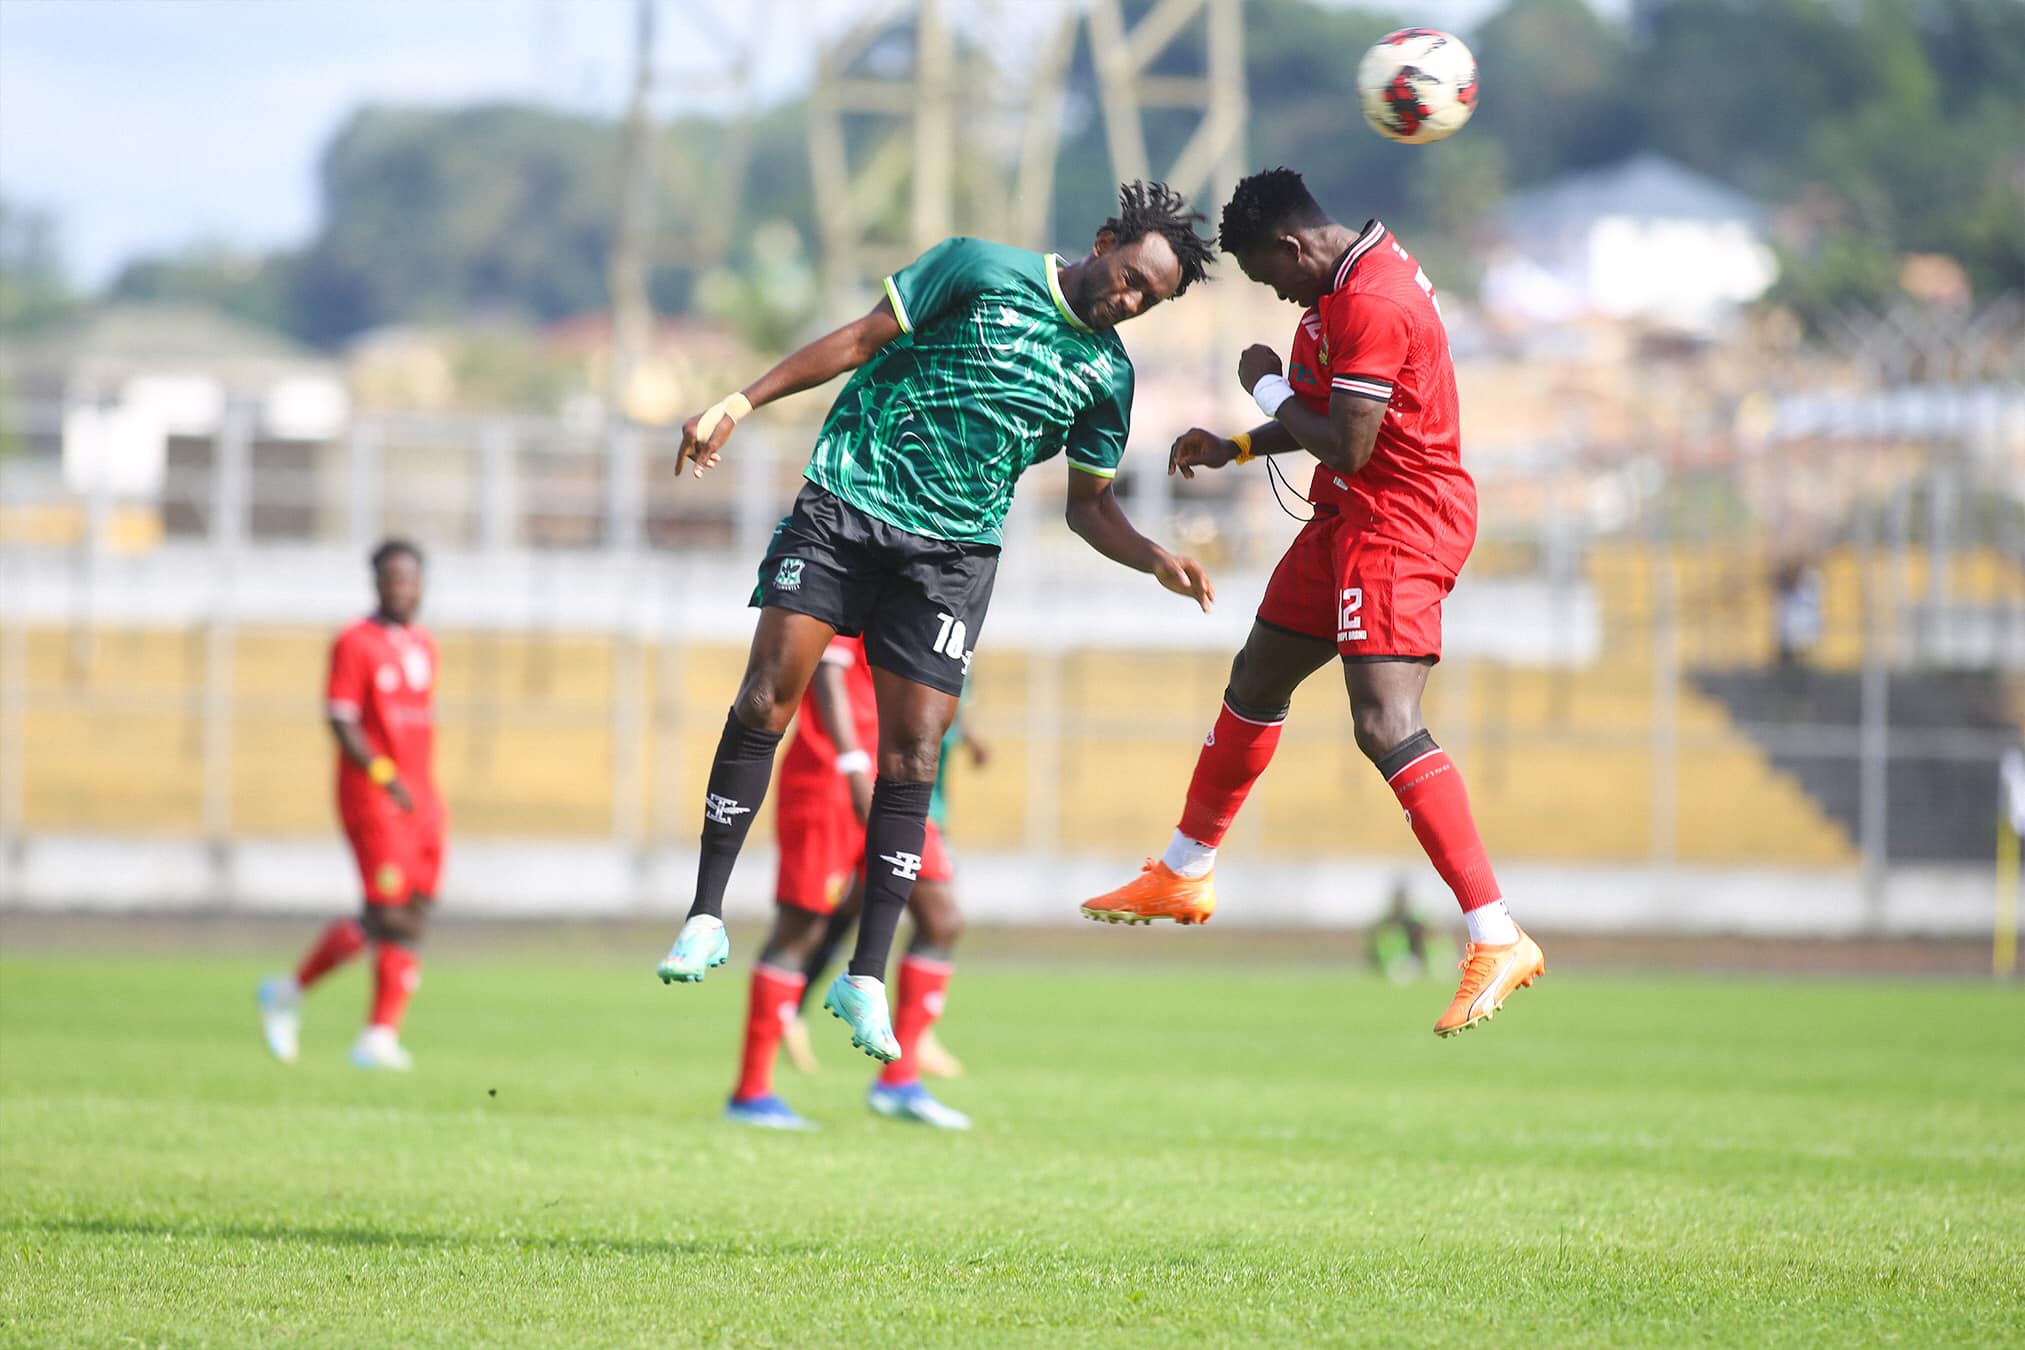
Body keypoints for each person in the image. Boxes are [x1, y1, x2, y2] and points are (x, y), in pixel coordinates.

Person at [655, 181, 1218, 1062]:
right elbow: (857, 340)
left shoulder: (1107, 377)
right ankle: (704, 916)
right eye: (1131, 278)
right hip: (847, 504)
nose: (1131, 300)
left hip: (951, 560)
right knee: (766, 697)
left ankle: (864, 977)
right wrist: (739, 402)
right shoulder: (978, 267)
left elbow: (1088, 507)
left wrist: (1154, 557)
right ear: (1106, 239)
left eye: (1151, 298)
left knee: (915, 754)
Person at [1080, 168, 1545, 1037]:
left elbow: (1350, 442)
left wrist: (1262, 386)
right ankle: (1184, 868)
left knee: (1383, 722)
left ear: (1291, 247)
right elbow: (1328, 415)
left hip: (1401, 522)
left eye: (1269, 277)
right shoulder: (1337, 287)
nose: (1277, 295)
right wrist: (1237, 446)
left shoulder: (1374, 300)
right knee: (1257, 676)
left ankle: (1496, 934)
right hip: (1346, 514)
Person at [724, 636, 969, 1130]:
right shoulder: (856, 590)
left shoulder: (928, 602)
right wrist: (852, 763)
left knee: (941, 919)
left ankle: (898, 1080)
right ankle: (751, 1093)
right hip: (831, 779)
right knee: (801, 929)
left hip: (898, 778)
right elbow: (829, 670)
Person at [259, 540, 444, 1069]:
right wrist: (383, 773)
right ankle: (297, 995)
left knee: (413, 912)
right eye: (394, 578)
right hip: (374, 796)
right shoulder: (355, 641)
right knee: (386, 912)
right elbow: (340, 719)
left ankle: (376, 1035)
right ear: (377, 583)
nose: (403, 588)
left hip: (421, 797)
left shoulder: (424, 645)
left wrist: (416, 787)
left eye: (411, 578)